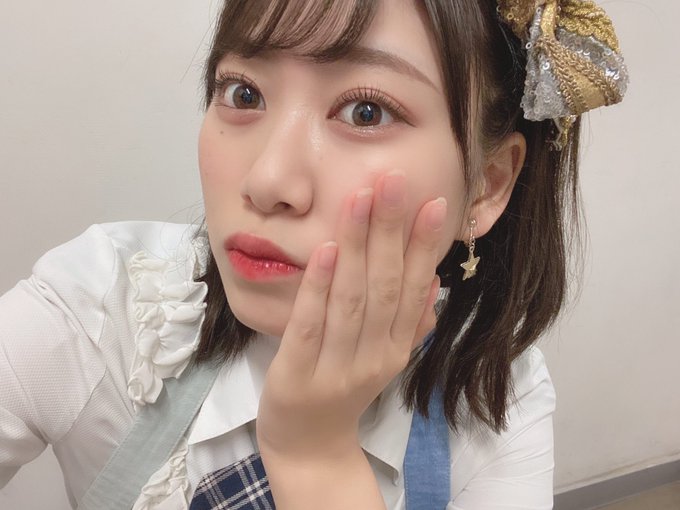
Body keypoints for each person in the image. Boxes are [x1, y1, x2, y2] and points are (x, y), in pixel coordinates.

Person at [0, 0, 628, 509]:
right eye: (243, 93)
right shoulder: (102, 308)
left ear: (487, 184)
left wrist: (315, 458)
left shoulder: (498, 397)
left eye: (365, 111)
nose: (268, 180)